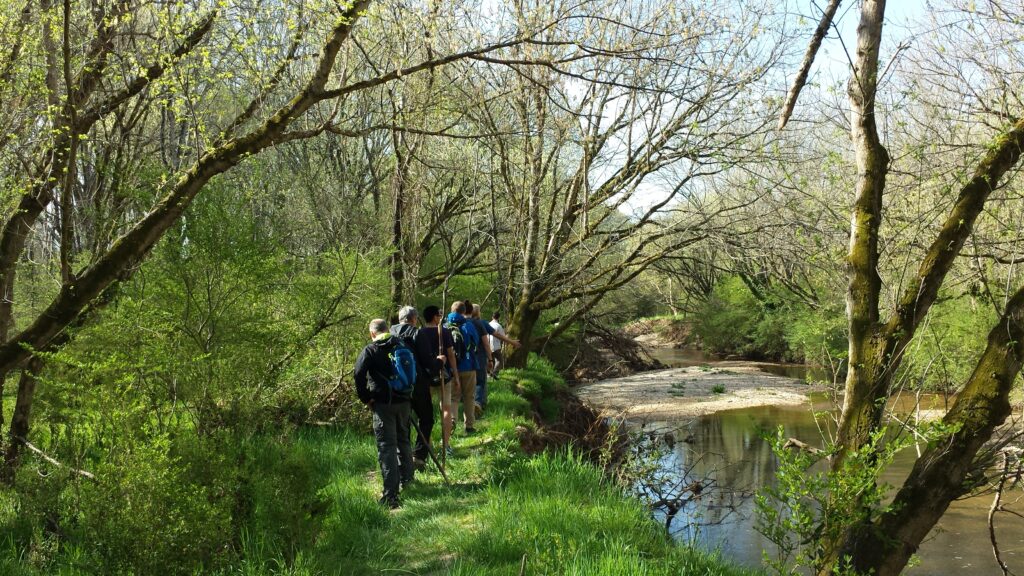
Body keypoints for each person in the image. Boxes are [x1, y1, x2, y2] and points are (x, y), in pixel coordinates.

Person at [354, 318, 414, 509]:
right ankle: (409, 482)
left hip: (383, 404)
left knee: (387, 446)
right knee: (403, 440)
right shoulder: (401, 344)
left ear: (372, 333)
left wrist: (366, 398)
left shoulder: (370, 350)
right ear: (387, 329)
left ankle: (391, 495)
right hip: (404, 401)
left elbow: (358, 375)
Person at [389, 306, 431, 471]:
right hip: (418, 385)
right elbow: (427, 360)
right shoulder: (417, 333)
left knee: (403, 423)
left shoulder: (389, 333)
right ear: (414, 319)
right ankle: (419, 456)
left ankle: (403, 460)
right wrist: (440, 363)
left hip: (397, 387)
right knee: (426, 419)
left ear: (400, 319)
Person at [414, 305, 459, 457]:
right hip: (443, 376)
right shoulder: (443, 332)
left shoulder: (419, 333)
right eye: (439, 315)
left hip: (425, 378)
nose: (440, 317)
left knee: (425, 414)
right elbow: (451, 355)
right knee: (446, 409)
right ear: (434, 317)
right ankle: (446, 445)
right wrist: (456, 376)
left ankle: (428, 445)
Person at [467, 302, 520, 414]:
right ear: (478, 312)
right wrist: (512, 342)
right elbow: (497, 336)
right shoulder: (481, 323)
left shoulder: (463, 323)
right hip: (480, 356)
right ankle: (478, 403)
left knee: (468, 381)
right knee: (481, 381)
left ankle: (471, 405)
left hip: (465, 358)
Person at [445, 302, 479, 434]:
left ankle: (452, 422)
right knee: (469, 397)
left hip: (452, 369)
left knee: (453, 397)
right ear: (464, 312)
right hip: (468, 366)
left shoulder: (444, 325)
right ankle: (469, 426)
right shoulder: (468, 325)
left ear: (451, 310)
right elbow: (475, 344)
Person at [489, 311, 507, 379]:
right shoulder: (498, 326)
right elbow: (503, 336)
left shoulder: (488, 324)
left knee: (491, 360)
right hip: (496, 346)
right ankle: (494, 373)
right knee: (500, 361)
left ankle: (490, 374)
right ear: (499, 317)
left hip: (488, 346)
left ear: (492, 317)